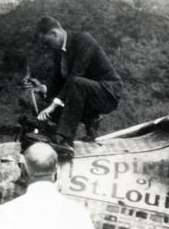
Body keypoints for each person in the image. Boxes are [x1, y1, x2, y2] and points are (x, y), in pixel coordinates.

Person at [26, 16, 123, 156]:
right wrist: (42, 88)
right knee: (46, 104)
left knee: (73, 85)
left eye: (47, 43)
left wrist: (53, 106)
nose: (47, 47)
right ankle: (90, 118)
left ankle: (64, 140)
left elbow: (76, 76)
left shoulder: (83, 40)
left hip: (108, 92)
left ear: (54, 33)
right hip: (86, 93)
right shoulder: (59, 52)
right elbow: (58, 82)